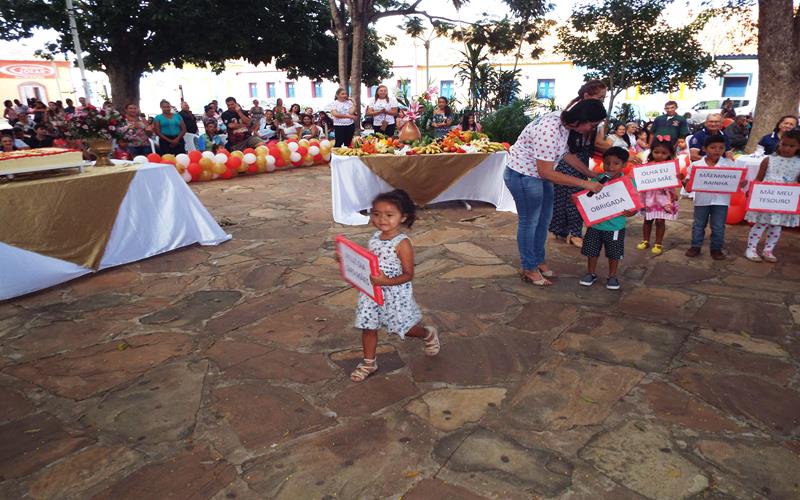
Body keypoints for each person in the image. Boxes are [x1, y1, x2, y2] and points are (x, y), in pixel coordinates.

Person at [505, 99, 606, 286]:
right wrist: (586, 184)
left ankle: (538, 260)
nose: (591, 130)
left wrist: (590, 174)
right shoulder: (548, 131)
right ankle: (529, 268)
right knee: (530, 222)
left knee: (544, 220)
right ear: (581, 120)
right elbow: (546, 171)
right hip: (523, 176)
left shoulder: (564, 122)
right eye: (592, 125)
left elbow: (565, 154)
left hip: (538, 176)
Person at [350, 189, 440, 382]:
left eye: (389, 215)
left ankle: (427, 333)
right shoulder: (374, 238)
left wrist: (386, 282)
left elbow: (408, 275)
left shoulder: (402, 243)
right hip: (372, 292)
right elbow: (370, 262)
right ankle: (368, 362)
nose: (382, 219)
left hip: (395, 294)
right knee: (368, 326)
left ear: (402, 217)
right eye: (376, 214)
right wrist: (348, 260)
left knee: (404, 328)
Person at [549, 81, 608, 247]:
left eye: (604, 98)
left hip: (578, 158)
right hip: (567, 159)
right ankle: (563, 231)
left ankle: (571, 231)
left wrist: (589, 174)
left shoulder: (592, 116)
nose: (602, 101)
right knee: (566, 197)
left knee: (576, 197)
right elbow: (560, 155)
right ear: (587, 96)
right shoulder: (566, 120)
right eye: (600, 97)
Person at [579, 147, 638, 290]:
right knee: (592, 251)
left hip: (615, 226)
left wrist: (631, 212)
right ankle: (590, 273)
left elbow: (634, 204)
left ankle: (612, 276)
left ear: (624, 165)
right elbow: (588, 198)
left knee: (614, 253)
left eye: (616, 163)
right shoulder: (596, 180)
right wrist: (578, 201)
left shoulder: (628, 182)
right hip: (595, 225)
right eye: (607, 163)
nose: (610, 167)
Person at [684, 135, 744, 259]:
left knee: (718, 226)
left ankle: (716, 249)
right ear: (704, 149)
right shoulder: (696, 165)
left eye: (721, 148)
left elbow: (737, 180)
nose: (717, 150)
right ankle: (695, 246)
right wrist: (684, 181)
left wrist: (741, 182)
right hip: (702, 200)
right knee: (699, 224)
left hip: (721, 201)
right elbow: (688, 183)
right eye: (713, 147)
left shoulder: (729, 164)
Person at [744, 129, 800, 262]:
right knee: (760, 223)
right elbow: (758, 178)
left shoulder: (799, 163)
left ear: (798, 146)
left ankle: (768, 250)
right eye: (784, 144)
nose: (786, 148)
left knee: (776, 225)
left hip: (784, 200)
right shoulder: (769, 160)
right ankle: (751, 248)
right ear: (779, 143)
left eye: (792, 146)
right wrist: (752, 192)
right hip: (766, 198)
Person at [636, 140, 679, 255]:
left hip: (663, 198)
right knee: (647, 219)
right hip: (649, 197)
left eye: (664, 153)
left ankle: (658, 243)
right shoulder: (646, 166)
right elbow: (639, 179)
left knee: (660, 221)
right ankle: (645, 240)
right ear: (652, 152)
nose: (659, 155)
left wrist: (674, 192)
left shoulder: (670, 167)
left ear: (669, 153)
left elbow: (673, 182)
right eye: (656, 152)